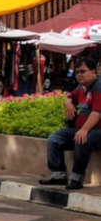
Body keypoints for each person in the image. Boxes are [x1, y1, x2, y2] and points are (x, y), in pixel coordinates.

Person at [39, 56, 101, 191]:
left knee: (82, 139)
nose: (79, 75)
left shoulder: (98, 87)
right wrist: (68, 103)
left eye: (83, 71)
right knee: (55, 138)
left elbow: (97, 112)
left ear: (93, 72)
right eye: (77, 72)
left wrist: (84, 130)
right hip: (82, 129)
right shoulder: (81, 87)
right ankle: (59, 175)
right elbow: (69, 97)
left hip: (97, 131)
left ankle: (77, 179)